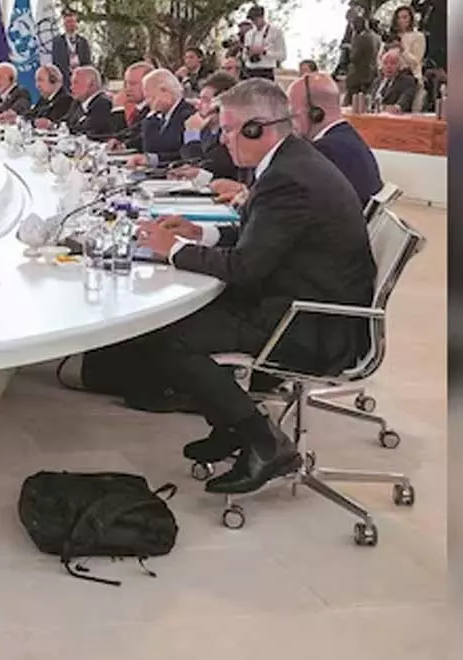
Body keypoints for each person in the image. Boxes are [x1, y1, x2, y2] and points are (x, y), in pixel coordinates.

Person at [88, 78, 376, 495]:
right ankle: (229, 425)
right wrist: (198, 234)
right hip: (300, 298)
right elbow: (260, 239)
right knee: (176, 320)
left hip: (310, 324)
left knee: (168, 333)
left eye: (228, 129)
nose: (222, 139)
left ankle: (264, 441)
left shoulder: (289, 178)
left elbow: (245, 267)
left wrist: (174, 251)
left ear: (259, 129)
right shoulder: (290, 162)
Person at [288, 73, 382, 205]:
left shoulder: (326, 150)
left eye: (293, 112)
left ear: (315, 113)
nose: (290, 122)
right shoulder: (346, 136)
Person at [171, 71, 239, 182]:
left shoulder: (228, 135)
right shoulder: (205, 130)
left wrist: (192, 134)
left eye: (205, 100)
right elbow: (187, 159)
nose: (198, 105)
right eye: (200, 99)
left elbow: (202, 166)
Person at [127, 69, 196, 168]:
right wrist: (149, 119)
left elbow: (186, 155)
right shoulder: (157, 117)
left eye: (151, 97)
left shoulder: (188, 115)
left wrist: (152, 159)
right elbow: (149, 148)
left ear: (165, 91)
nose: (148, 102)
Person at [108, 61, 152, 150]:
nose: (128, 89)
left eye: (133, 84)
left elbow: (137, 138)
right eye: (126, 84)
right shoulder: (139, 109)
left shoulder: (154, 109)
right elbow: (122, 134)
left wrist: (119, 109)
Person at [64, 66, 114, 139]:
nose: (71, 87)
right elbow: (66, 123)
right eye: (71, 83)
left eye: (76, 83)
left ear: (92, 84)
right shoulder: (77, 102)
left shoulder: (103, 104)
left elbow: (88, 130)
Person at [368, 46, 420, 113]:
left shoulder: (407, 81)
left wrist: (394, 107)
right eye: (385, 63)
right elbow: (369, 100)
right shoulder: (377, 81)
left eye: (393, 63)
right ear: (381, 66)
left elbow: (402, 104)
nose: (388, 66)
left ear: (399, 66)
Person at [241, 5, 285, 80]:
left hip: (266, 71)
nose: (254, 22)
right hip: (249, 70)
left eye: (255, 19)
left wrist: (264, 52)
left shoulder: (275, 31)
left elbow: (282, 56)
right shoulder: (249, 34)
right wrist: (249, 53)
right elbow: (244, 57)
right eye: (252, 19)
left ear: (262, 17)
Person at [48, 11, 92, 76]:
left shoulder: (83, 41)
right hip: (64, 77)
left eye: (72, 22)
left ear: (76, 24)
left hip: (80, 76)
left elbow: (87, 62)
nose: (70, 24)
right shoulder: (57, 42)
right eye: (68, 22)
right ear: (64, 24)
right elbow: (56, 63)